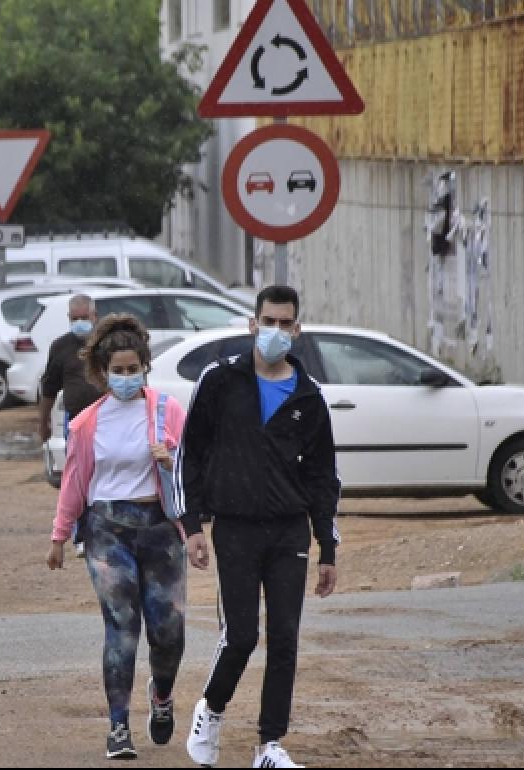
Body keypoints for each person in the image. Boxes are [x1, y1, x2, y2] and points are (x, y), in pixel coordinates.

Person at [176, 285, 341, 770]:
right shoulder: (219, 381)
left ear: (297, 328)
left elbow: (323, 477)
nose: (275, 331)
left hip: (289, 531)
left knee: (285, 637)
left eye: (285, 323)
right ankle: (211, 710)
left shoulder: (309, 397)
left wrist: (326, 546)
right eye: (267, 321)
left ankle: (270, 746)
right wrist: (192, 525)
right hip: (235, 529)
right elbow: (191, 454)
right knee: (241, 635)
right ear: (252, 324)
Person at [46, 314, 189, 760]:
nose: (127, 377)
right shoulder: (87, 424)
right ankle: (118, 727)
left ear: (146, 366)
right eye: (118, 370)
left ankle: (161, 696)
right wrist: (59, 535)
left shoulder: (169, 411)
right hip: (107, 530)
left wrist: (172, 464)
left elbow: (193, 474)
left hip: (161, 528)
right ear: (103, 372)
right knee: (121, 628)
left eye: (134, 369)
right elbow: (74, 481)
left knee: (168, 631)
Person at [39, 294, 102, 557]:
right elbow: (49, 387)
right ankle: (80, 535)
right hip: (76, 421)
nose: (80, 323)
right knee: (77, 477)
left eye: (84, 318)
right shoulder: (61, 347)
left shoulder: (105, 344)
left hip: (105, 419)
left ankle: (101, 531)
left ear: (94, 317)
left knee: (103, 476)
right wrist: (42, 421)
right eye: (74, 319)